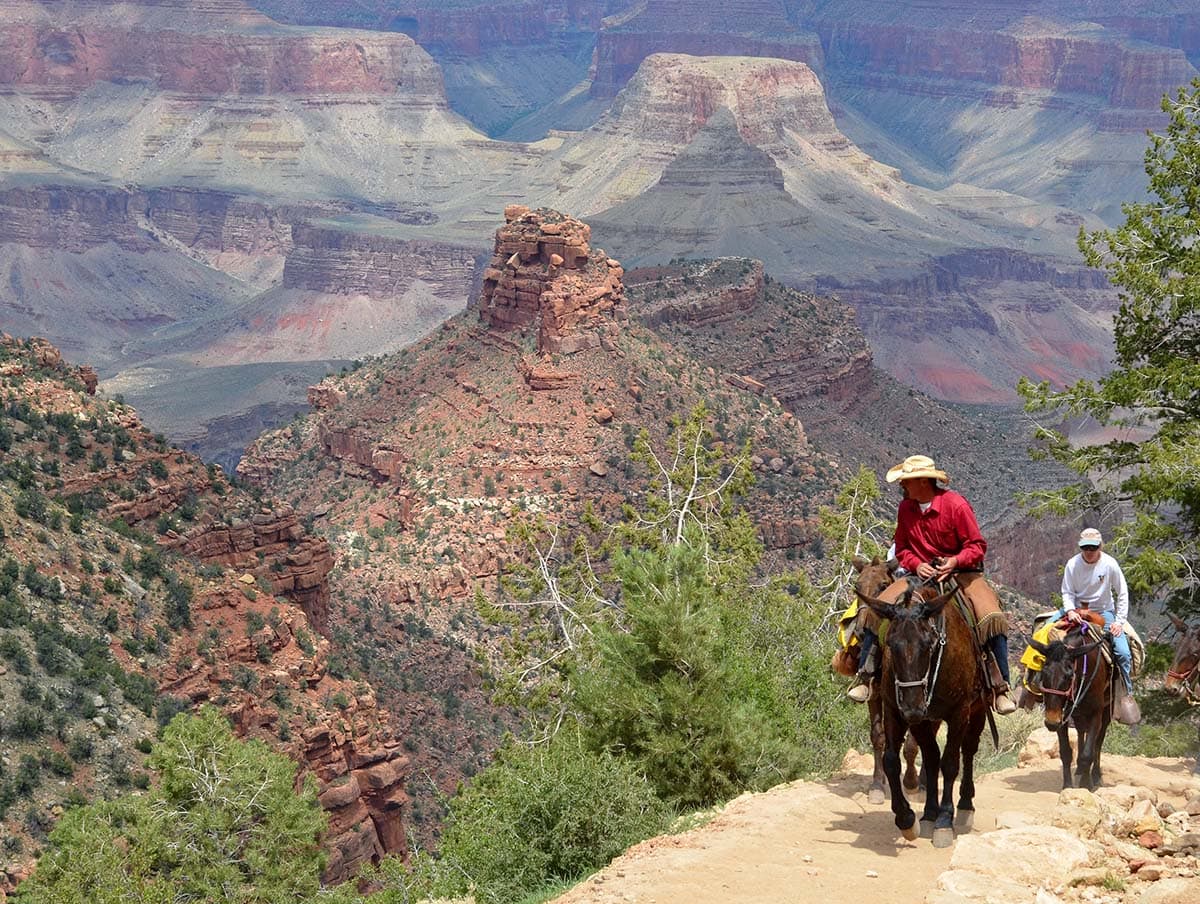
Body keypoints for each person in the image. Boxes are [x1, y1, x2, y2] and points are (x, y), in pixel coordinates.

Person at [848, 454, 1016, 714]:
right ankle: (867, 673)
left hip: (961, 574)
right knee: (876, 608)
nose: (902, 486)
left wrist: (954, 561)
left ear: (924, 482)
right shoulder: (906, 509)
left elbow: (977, 547)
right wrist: (916, 564)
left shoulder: (956, 506)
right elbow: (902, 548)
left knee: (991, 615)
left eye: (907, 481)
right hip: (919, 575)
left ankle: (1000, 686)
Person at [1058, 528, 1140, 725]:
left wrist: (1119, 622)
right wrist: (1069, 610)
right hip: (1076, 611)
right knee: (1044, 632)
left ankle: (1125, 695)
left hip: (1104, 612)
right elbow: (1067, 592)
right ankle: (1034, 688)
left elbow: (1122, 593)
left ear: (1100, 546)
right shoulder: (1072, 564)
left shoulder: (1110, 564)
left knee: (1122, 652)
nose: (1089, 551)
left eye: (1093, 547)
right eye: (1085, 547)